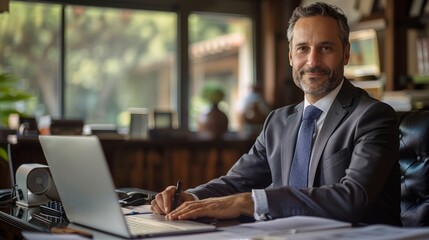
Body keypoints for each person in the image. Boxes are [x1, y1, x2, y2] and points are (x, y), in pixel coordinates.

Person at [151, 2, 401, 226]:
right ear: (291, 56)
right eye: (303, 48)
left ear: (345, 54)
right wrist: (190, 197)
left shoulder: (373, 116)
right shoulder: (278, 121)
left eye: (325, 48)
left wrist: (251, 202)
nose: (312, 61)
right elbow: (238, 181)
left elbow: (351, 198)